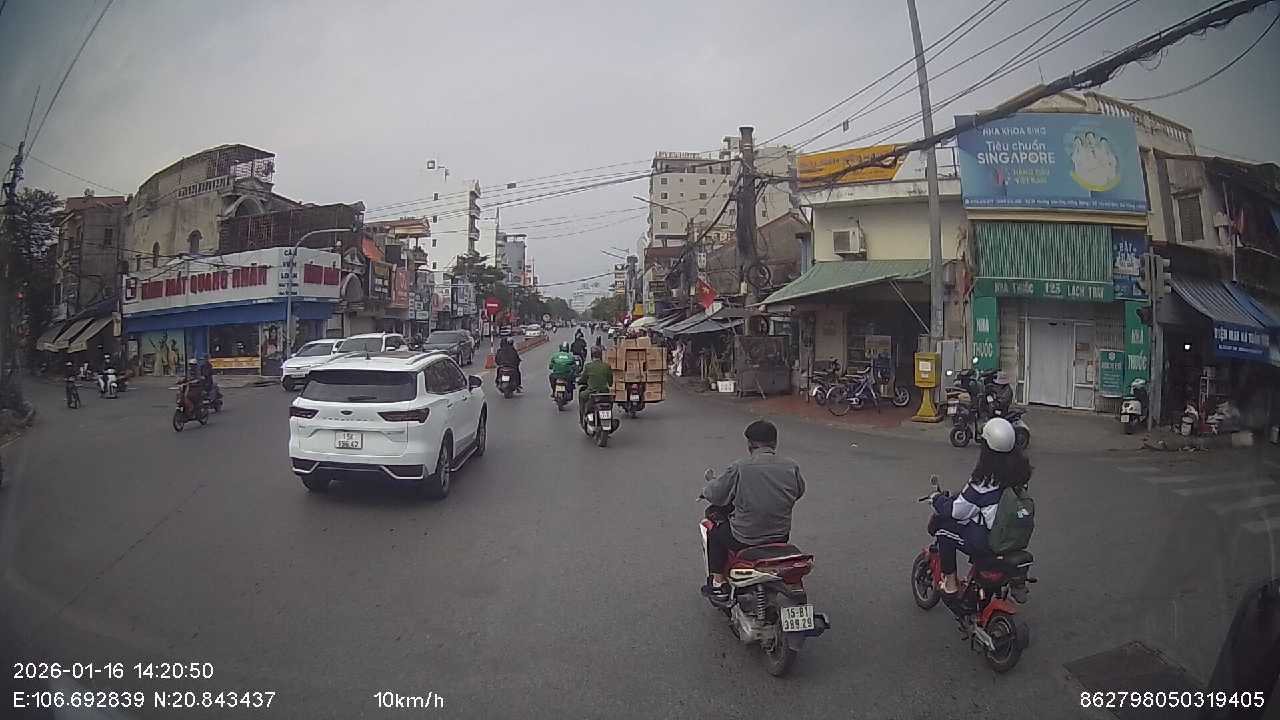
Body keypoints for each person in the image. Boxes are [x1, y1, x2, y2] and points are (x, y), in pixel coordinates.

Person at [700, 420, 806, 601]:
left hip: (744, 538)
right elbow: (798, 492)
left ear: (749, 444)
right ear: (774, 443)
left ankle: (718, 583)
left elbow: (716, 494)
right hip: (780, 536)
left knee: (714, 530)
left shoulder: (740, 467)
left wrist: (707, 488)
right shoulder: (791, 466)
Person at [930, 417, 1031, 595]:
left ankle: (950, 585)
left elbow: (957, 511)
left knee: (944, 531)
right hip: (1011, 536)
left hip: (989, 540)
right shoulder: (1019, 473)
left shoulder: (984, 481)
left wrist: (938, 500)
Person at [577, 345, 613, 420]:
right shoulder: (607, 366)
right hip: (604, 393)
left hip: (592, 393)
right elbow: (610, 382)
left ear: (592, 356)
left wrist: (579, 382)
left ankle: (582, 417)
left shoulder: (588, 366)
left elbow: (583, 379)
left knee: (581, 395)